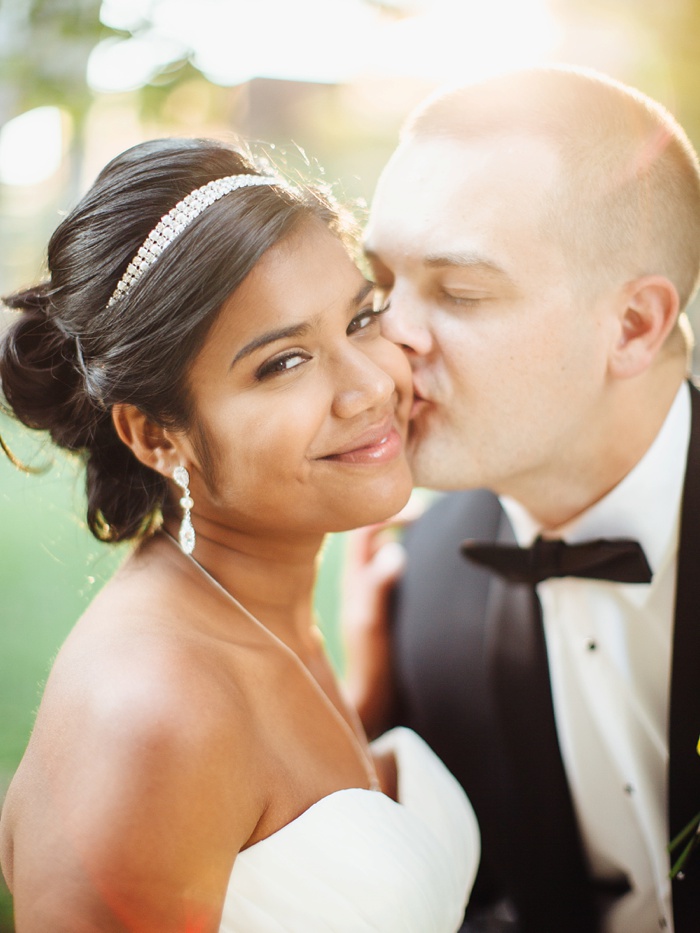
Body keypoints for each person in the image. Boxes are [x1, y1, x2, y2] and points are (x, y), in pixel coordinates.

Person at [0, 137, 479, 932]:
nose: (369, 386)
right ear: (156, 435)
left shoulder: (260, 606)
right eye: (284, 362)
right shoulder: (148, 713)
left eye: (361, 319)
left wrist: (371, 696)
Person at [347, 66, 700, 933]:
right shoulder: (418, 584)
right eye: (379, 283)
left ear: (632, 326)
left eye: (460, 291)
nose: (391, 335)